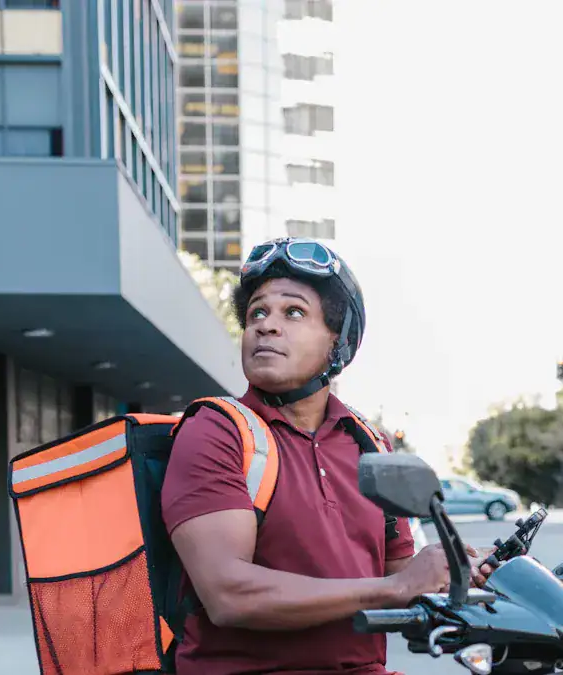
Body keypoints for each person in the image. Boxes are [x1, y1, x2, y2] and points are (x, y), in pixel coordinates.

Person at [161, 238, 494, 675]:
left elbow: (403, 575)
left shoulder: (370, 444)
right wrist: (394, 587)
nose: (266, 326)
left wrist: (455, 569)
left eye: (293, 312)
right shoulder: (218, 430)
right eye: (257, 313)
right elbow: (228, 594)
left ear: (338, 341)